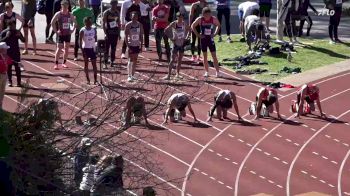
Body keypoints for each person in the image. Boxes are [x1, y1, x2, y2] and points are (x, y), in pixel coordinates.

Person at [191, 7, 221, 78]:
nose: (207, 17)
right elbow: (192, 26)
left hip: (210, 39)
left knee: (214, 55)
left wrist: (215, 34)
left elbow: (218, 25)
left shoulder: (213, 18)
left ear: (210, 14)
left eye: (209, 15)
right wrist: (198, 35)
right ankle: (207, 72)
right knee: (205, 56)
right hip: (203, 39)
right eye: (206, 15)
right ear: (203, 14)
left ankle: (218, 72)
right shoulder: (200, 19)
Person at [162, 12, 190, 80]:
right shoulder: (174, 23)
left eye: (181, 17)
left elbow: (189, 29)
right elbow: (165, 30)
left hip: (182, 44)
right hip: (175, 44)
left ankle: (177, 74)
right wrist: (171, 38)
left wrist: (186, 37)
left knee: (180, 60)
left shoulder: (184, 23)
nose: (180, 19)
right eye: (179, 17)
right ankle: (168, 75)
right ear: (177, 17)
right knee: (172, 60)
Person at [51, 0, 77, 70]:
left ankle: (64, 63)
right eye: (64, 6)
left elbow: (75, 22)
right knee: (59, 48)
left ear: (68, 6)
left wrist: (72, 30)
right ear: (61, 6)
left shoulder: (70, 14)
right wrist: (56, 31)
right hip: (61, 33)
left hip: (67, 33)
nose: (65, 7)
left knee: (66, 49)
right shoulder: (58, 14)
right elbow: (52, 22)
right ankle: (56, 64)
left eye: (66, 6)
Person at [0, 21, 25, 87]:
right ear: (8, 26)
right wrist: (6, 36)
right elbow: (0, 41)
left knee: (18, 68)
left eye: (14, 26)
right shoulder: (4, 32)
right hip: (8, 53)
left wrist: (20, 36)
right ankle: (10, 82)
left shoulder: (17, 31)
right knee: (8, 68)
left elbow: (24, 40)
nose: (13, 28)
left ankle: (19, 82)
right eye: (11, 26)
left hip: (16, 53)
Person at [125, 12, 143, 82]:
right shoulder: (128, 25)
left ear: (137, 17)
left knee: (135, 60)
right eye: (133, 17)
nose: (134, 18)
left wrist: (141, 46)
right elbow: (126, 37)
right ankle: (129, 76)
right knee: (130, 59)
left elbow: (141, 36)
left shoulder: (140, 25)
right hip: (130, 45)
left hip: (137, 45)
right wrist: (128, 46)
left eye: (136, 16)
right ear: (131, 17)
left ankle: (132, 74)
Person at [80, 16, 98, 85]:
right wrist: (82, 51)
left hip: (92, 49)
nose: (90, 23)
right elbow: (80, 41)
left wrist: (96, 47)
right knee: (86, 64)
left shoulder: (94, 29)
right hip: (86, 49)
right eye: (88, 22)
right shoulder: (82, 30)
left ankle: (95, 79)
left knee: (94, 65)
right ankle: (88, 79)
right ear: (85, 22)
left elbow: (96, 38)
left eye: (90, 22)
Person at [102, 0, 120, 68]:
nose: (115, 6)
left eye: (116, 4)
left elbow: (118, 23)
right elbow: (103, 24)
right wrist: (105, 33)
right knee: (106, 48)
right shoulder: (106, 12)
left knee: (113, 48)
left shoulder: (117, 12)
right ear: (111, 4)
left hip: (115, 33)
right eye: (113, 4)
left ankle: (112, 61)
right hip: (108, 33)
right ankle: (105, 62)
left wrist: (119, 34)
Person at [0, 42, 12, 109]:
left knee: (2, 91)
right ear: (1, 49)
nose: (7, 50)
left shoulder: (5, 55)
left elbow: (10, 62)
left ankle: (0, 107)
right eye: (5, 49)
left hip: (4, 75)